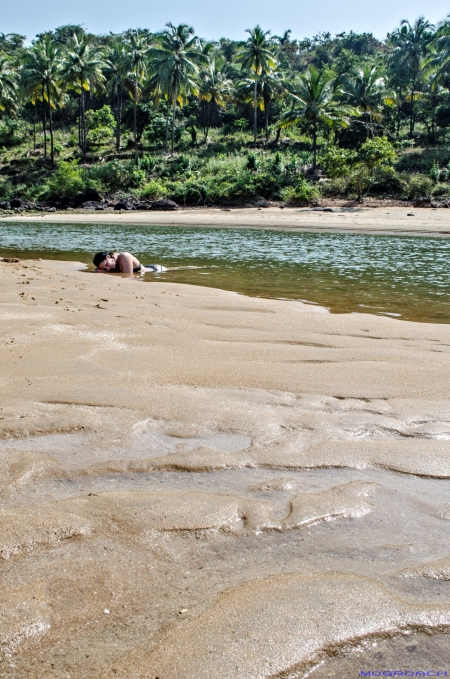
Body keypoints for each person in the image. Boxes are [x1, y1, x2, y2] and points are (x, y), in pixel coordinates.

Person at [93, 252, 166, 273]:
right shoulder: (112, 264)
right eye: (105, 268)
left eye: (106, 264)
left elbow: (127, 275)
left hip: (156, 270)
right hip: (147, 267)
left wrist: (103, 271)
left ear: (108, 257)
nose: (108, 268)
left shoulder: (125, 257)